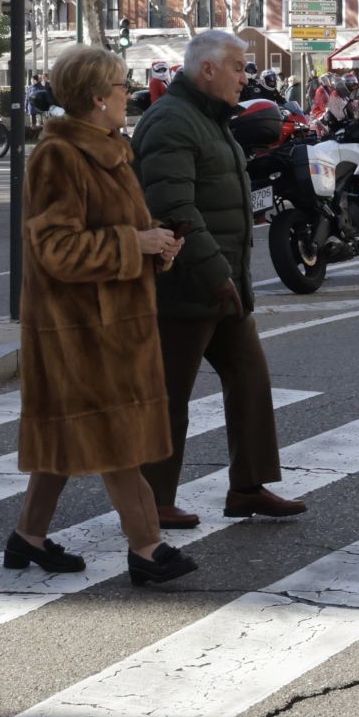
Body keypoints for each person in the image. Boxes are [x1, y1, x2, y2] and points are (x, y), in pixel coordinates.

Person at [11, 44, 197, 586]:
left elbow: (118, 235)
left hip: (110, 321)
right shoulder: (60, 157)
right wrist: (133, 243)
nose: (128, 95)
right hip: (78, 328)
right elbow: (57, 250)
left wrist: (157, 244)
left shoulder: (111, 149)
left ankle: (27, 537)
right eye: (121, 87)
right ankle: (147, 546)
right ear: (96, 98)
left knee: (68, 440)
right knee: (115, 439)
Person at [133, 29, 306, 528]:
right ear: (206, 69)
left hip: (223, 280)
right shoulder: (171, 122)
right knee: (170, 394)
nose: (244, 76)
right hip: (186, 281)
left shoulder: (210, 119)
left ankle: (248, 487)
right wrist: (213, 272)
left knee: (250, 378)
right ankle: (153, 500)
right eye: (237, 66)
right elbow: (173, 206)